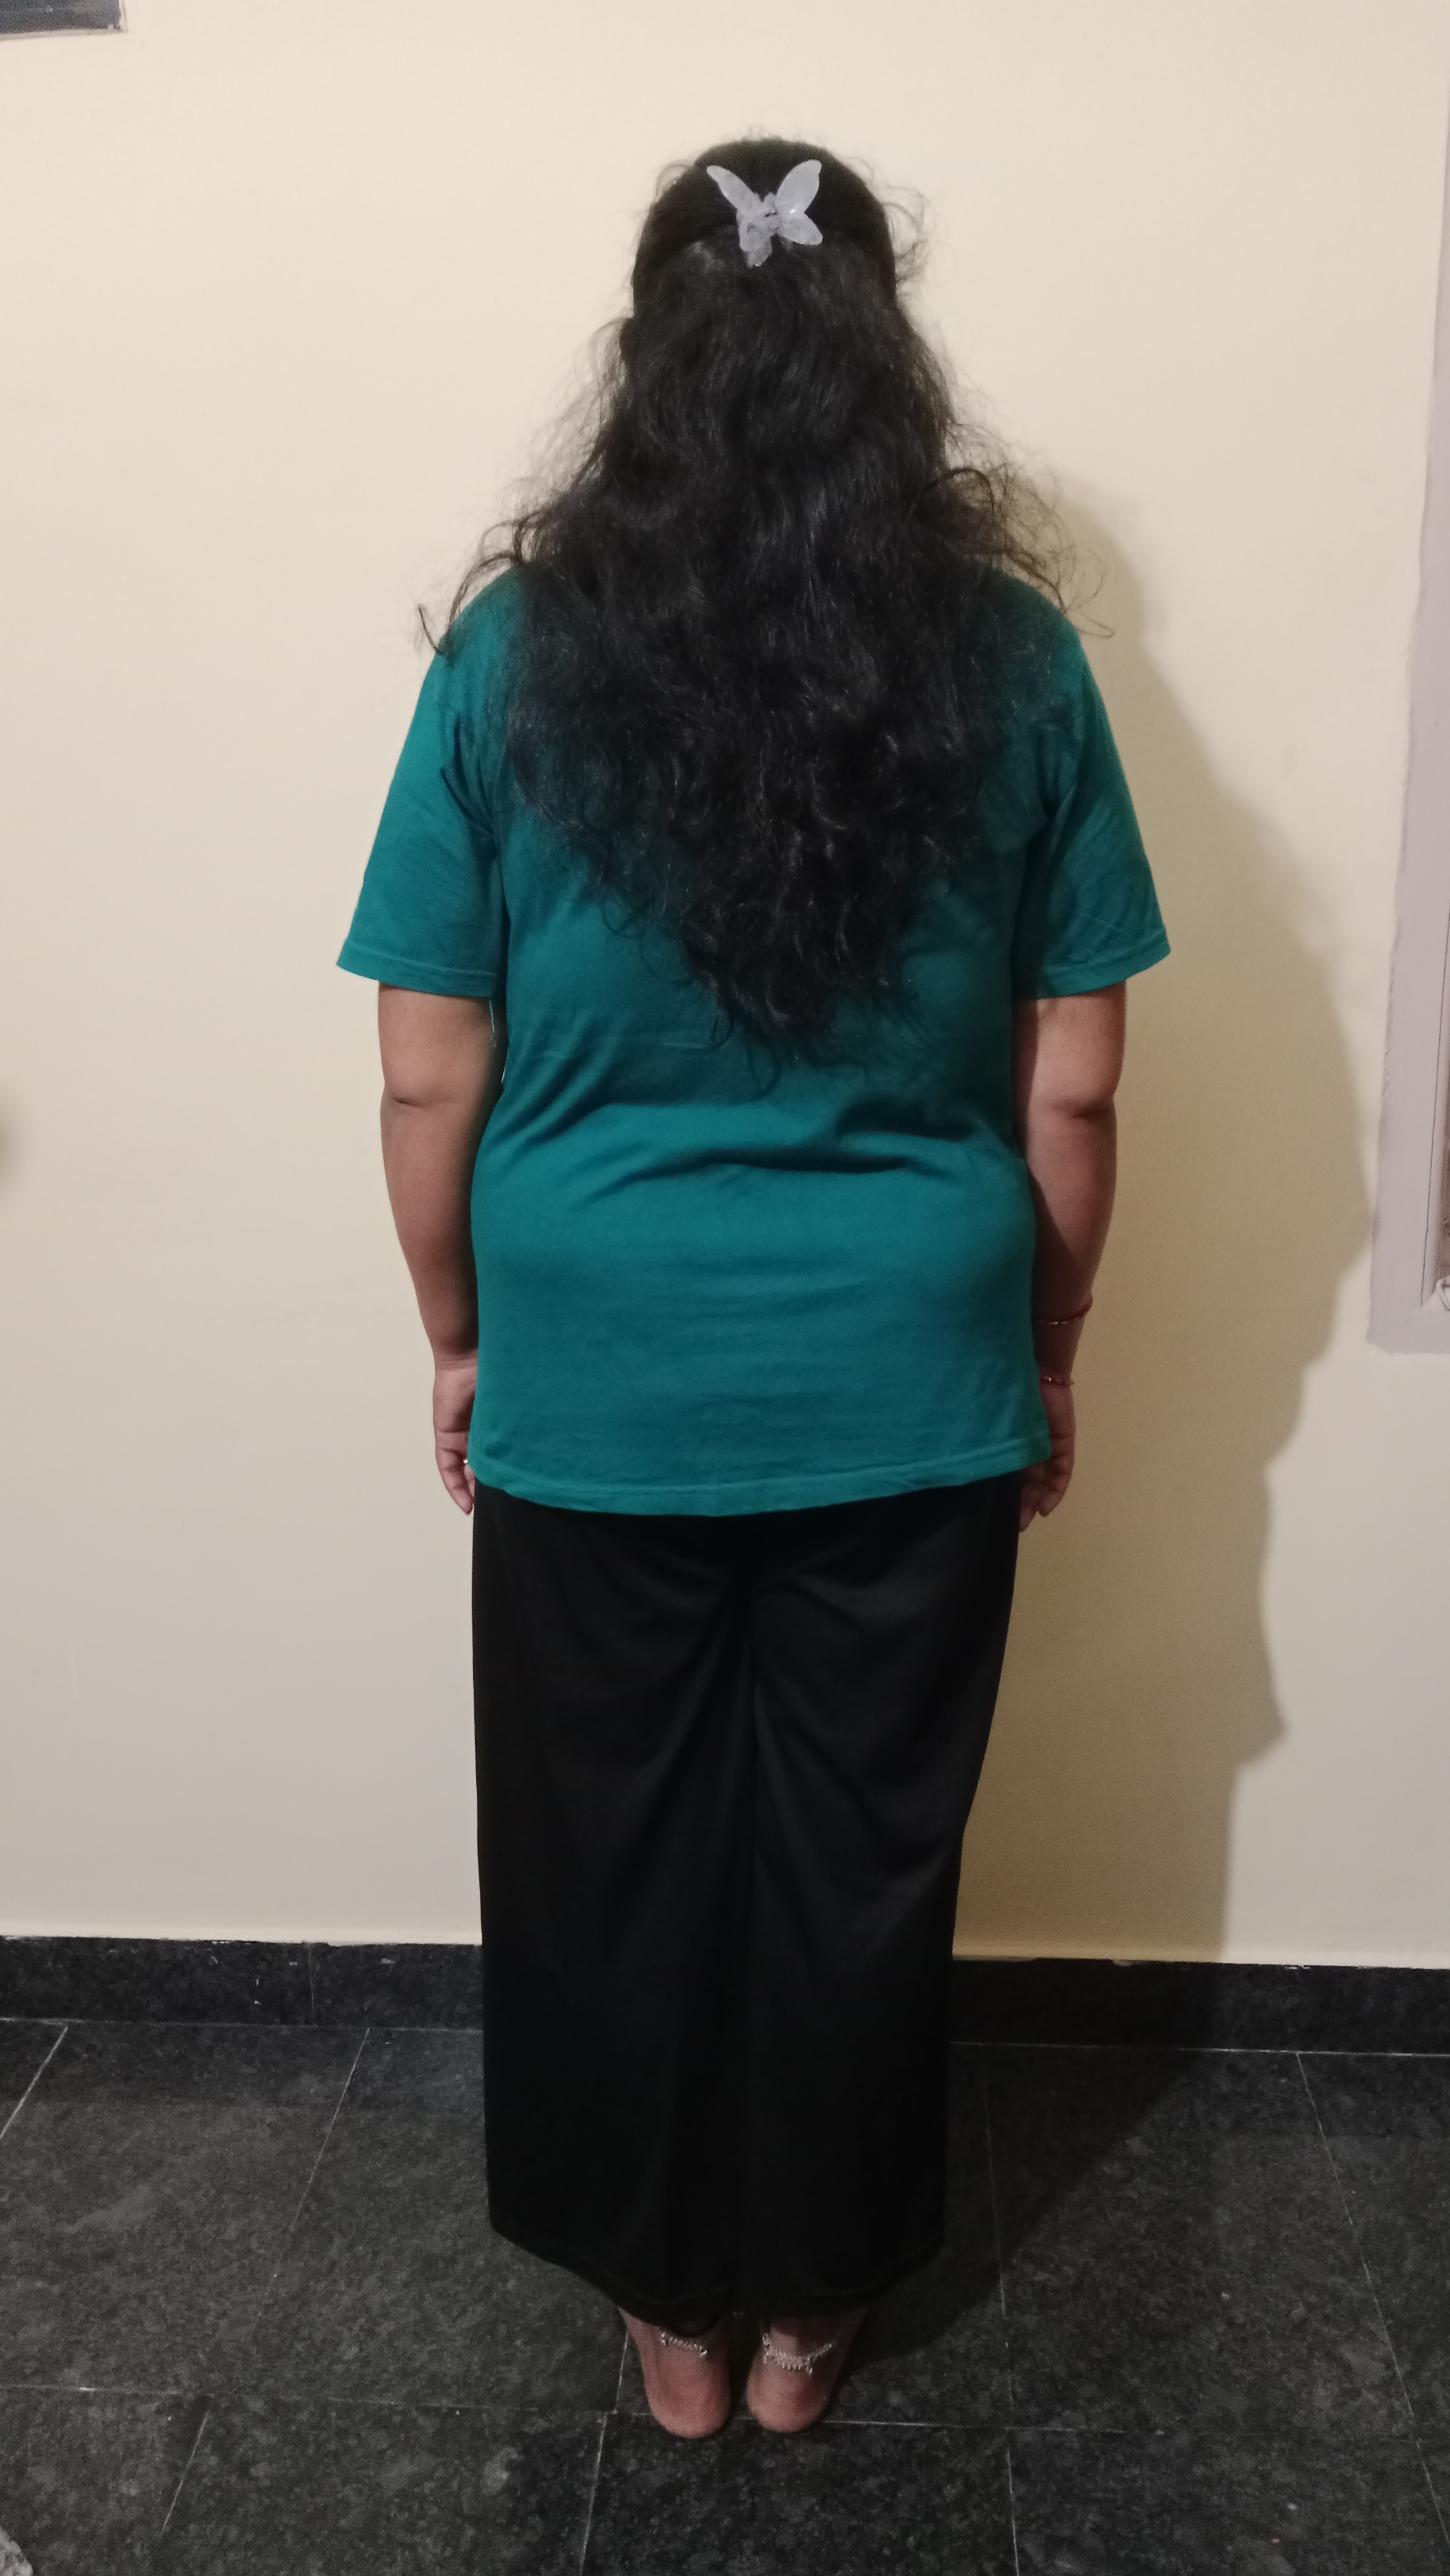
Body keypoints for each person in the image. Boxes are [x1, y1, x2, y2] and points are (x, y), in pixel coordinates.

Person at [339, 138, 1168, 2440]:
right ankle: (811, 2319)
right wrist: (1048, 1343)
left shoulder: (514, 653)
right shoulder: (1012, 658)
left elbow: (427, 1071)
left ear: (646, 354)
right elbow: (1076, 1084)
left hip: (598, 1370)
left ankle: (673, 2324)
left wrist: (458, 1333)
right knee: (858, 1866)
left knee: (606, 1864)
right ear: (887, 359)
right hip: (911, 1364)